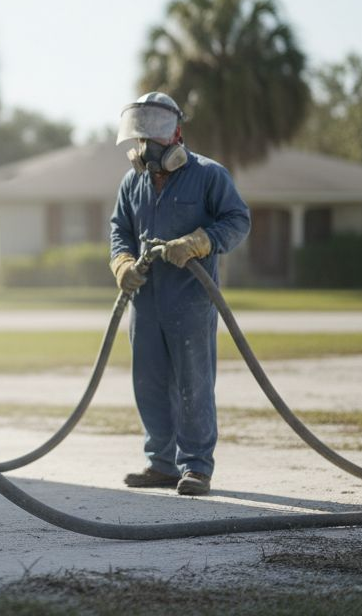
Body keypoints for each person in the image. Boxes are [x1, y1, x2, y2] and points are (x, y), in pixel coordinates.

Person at [108, 92, 250, 496]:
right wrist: (121, 264)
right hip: (146, 300)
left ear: (177, 134)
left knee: (194, 383)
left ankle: (197, 467)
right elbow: (119, 228)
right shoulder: (132, 181)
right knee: (149, 382)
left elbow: (238, 220)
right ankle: (162, 463)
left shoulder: (209, 175)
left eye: (155, 135)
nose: (147, 146)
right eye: (141, 136)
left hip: (190, 300)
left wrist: (200, 240)